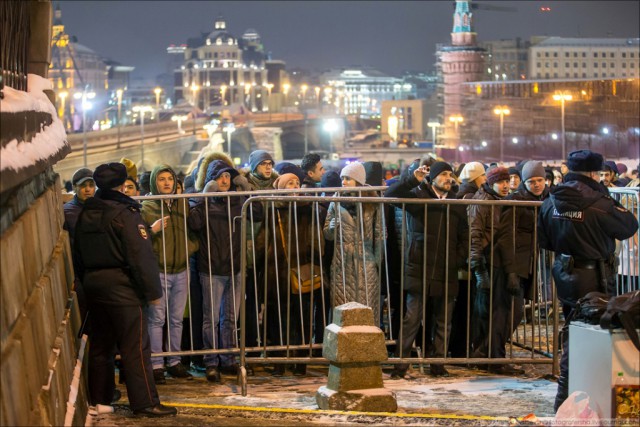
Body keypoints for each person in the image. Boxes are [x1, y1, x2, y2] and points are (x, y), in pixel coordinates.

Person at [73, 162, 177, 417]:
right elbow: (140, 255)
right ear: (121, 184)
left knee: (101, 345)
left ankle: (101, 399)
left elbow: (77, 252)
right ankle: (145, 403)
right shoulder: (125, 213)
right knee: (135, 346)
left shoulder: (86, 212)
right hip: (122, 286)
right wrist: (153, 292)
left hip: (93, 284)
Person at [537, 150, 638, 412]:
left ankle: (570, 396)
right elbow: (629, 226)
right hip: (593, 277)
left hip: (564, 272)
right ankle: (571, 398)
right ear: (594, 173)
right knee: (590, 337)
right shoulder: (598, 202)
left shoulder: (552, 199)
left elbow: (545, 239)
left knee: (573, 331)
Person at [385, 161, 468, 378]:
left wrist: (457, 259)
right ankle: (400, 365)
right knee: (411, 318)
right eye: (443, 174)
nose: (448, 178)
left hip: (446, 268)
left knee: (443, 321)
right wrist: (413, 179)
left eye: (451, 174)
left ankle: (438, 364)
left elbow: (464, 236)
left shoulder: (456, 203)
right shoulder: (418, 196)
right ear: (433, 178)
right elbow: (391, 193)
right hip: (418, 266)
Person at [188, 158, 257, 382]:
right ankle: (211, 361)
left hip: (234, 268)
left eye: (228, 176)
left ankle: (228, 359)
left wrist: (245, 186)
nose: (225, 180)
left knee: (230, 317)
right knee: (211, 319)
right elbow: (194, 223)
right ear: (211, 180)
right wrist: (205, 196)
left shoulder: (237, 200)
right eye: (220, 177)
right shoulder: (205, 202)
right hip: (211, 269)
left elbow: (258, 212)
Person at [141, 164, 198, 383]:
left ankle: (174, 361)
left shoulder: (182, 203)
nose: (167, 183)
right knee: (157, 319)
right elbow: (140, 237)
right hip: (160, 269)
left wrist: (189, 248)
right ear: (155, 182)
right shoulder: (146, 207)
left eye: (170, 179)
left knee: (176, 320)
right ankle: (156, 364)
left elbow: (192, 231)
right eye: (162, 179)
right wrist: (151, 231)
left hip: (181, 268)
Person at [493, 161, 550, 371]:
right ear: (524, 183)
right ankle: (496, 359)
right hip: (511, 264)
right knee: (508, 313)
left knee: (513, 313)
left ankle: (492, 356)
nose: (536, 185)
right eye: (531, 181)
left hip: (526, 264)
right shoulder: (515, 201)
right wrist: (510, 271)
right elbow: (506, 237)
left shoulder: (546, 198)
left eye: (540, 180)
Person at [265, 173, 324, 376]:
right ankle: (279, 361)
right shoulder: (272, 208)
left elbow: (317, 240)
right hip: (279, 272)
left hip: (302, 269)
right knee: (279, 318)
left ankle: (301, 361)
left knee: (303, 318)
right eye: (290, 183)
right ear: (280, 187)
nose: (295, 186)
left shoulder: (308, 207)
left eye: (297, 183)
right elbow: (265, 241)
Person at [468, 166, 524, 373]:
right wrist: (479, 269)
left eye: (507, 181)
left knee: (503, 312)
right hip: (488, 262)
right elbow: (475, 236)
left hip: (500, 262)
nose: (505, 185)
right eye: (500, 182)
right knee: (493, 312)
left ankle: (486, 354)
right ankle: (488, 356)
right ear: (491, 183)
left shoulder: (501, 201)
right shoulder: (482, 202)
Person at [323, 162, 383, 321]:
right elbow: (327, 235)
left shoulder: (372, 201)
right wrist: (331, 227)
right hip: (341, 261)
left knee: (368, 307)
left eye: (348, 178)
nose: (343, 182)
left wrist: (377, 260)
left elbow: (380, 233)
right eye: (343, 178)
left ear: (358, 181)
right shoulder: (336, 200)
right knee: (342, 310)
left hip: (366, 260)